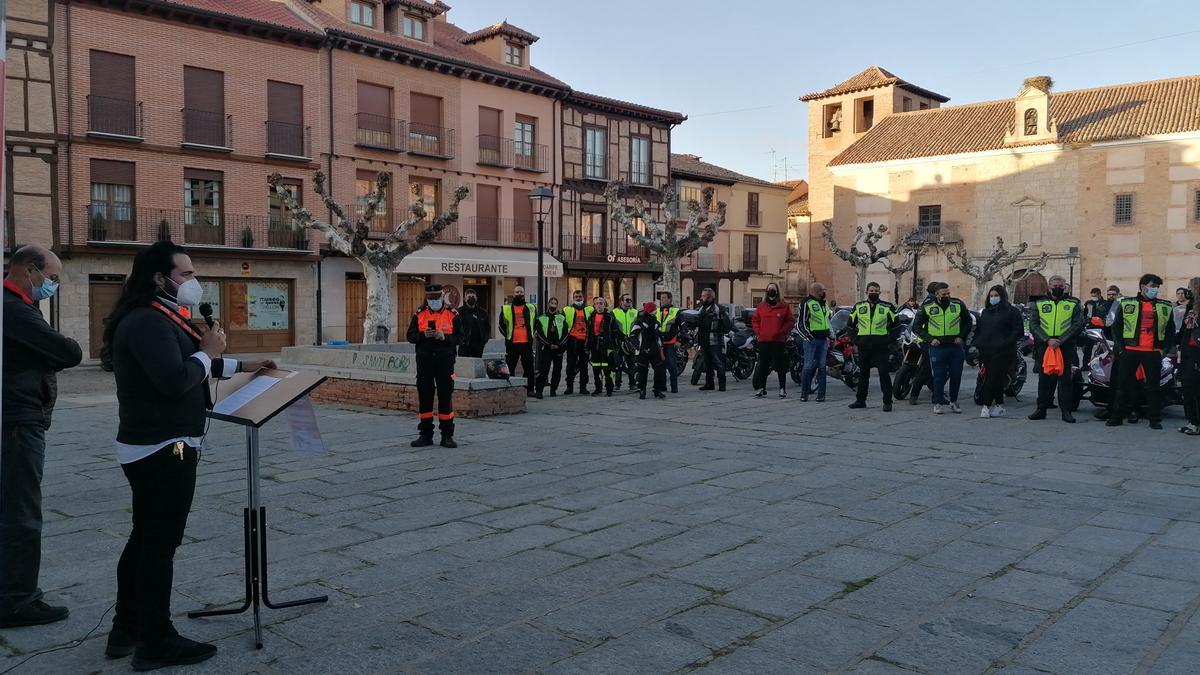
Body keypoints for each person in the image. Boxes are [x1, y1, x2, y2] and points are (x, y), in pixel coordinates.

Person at [101, 241, 274, 669]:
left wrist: (242, 365)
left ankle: (127, 628)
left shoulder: (161, 316)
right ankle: (156, 641)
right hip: (164, 446)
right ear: (159, 278)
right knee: (159, 544)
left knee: (144, 537)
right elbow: (175, 378)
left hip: (160, 442)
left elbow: (198, 364)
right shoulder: (146, 321)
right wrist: (208, 352)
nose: (193, 282)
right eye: (185, 274)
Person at [0, 245, 82, 629]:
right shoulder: (14, 310)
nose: (53, 284)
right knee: (21, 512)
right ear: (30, 270)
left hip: (15, 417)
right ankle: (17, 600)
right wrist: (55, 351)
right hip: (18, 421)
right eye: (51, 277)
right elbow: (68, 352)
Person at [1108, 274, 1175, 429]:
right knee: (1123, 385)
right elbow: (1116, 327)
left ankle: (1154, 419)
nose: (1155, 289)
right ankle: (1116, 417)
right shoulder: (1126, 303)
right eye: (1152, 286)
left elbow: (1171, 331)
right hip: (1130, 351)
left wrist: (1164, 349)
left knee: (1153, 387)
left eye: (1157, 287)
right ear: (1142, 286)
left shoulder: (1165, 306)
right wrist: (1121, 349)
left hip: (1153, 352)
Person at [407, 284, 463, 446]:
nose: (432, 301)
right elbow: (410, 336)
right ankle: (426, 434)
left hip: (444, 361)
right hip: (424, 361)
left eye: (435, 297)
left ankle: (447, 435)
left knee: (445, 396)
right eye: (429, 298)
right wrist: (423, 335)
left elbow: (460, 338)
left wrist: (443, 337)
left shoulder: (453, 314)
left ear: (441, 296)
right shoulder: (419, 314)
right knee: (425, 396)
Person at [1027, 275, 1085, 423]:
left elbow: (1078, 324)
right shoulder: (1039, 303)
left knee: (1065, 379)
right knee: (1044, 379)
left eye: (1060, 286)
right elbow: (1034, 324)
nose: (1057, 288)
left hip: (1065, 346)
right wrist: (1047, 340)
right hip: (1045, 346)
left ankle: (1066, 411)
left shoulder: (1073, 303)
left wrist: (1061, 340)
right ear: (1049, 286)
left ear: (1065, 286)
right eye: (1055, 286)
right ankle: (1041, 409)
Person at [916, 282, 973, 414]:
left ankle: (954, 401)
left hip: (955, 347)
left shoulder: (958, 304)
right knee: (938, 376)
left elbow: (968, 321)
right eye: (943, 294)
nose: (946, 295)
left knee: (956, 375)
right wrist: (930, 339)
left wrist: (962, 336)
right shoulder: (927, 307)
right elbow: (917, 326)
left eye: (948, 293)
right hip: (938, 347)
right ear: (937, 295)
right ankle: (938, 402)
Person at [974, 285, 1024, 418]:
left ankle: (986, 405)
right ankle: (999, 405)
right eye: (991, 295)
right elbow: (980, 330)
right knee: (995, 378)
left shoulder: (1012, 312)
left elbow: (1018, 330)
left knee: (992, 377)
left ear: (1002, 296)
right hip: (986, 351)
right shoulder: (985, 312)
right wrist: (978, 343)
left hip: (1004, 351)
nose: (993, 298)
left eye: (996, 295)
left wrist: (1005, 342)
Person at [847, 281, 898, 411]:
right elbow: (850, 325)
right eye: (872, 291)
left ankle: (887, 402)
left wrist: (889, 340)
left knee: (884, 374)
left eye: (876, 291)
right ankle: (860, 400)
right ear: (867, 292)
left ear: (879, 292)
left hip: (881, 347)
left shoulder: (887, 307)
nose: (874, 293)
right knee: (863, 374)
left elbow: (897, 326)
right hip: (864, 346)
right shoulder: (858, 307)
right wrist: (856, 340)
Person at [751, 282, 795, 398]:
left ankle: (782, 388)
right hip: (763, 340)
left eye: (773, 289)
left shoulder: (784, 306)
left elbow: (790, 321)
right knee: (763, 364)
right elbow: (755, 320)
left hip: (778, 340)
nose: (771, 291)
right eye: (769, 289)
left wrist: (782, 332)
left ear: (777, 291)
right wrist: (758, 331)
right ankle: (761, 388)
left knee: (779, 364)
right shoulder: (761, 306)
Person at [498, 286, 537, 398]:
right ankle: (510, 388)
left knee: (529, 367)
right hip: (512, 344)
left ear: (524, 294)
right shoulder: (506, 308)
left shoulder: (531, 307)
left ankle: (529, 389)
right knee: (510, 367)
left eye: (521, 292)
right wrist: (508, 336)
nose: (519, 293)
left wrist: (531, 334)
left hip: (526, 343)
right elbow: (501, 325)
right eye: (517, 292)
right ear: (513, 294)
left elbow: (536, 323)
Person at [908, 281, 943, 405]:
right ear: (936, 292)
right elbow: (918, 325)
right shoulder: (930, 303)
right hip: (928, 341)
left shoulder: (934, 302)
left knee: (936, 369)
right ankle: (914, 394)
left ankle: (937, 393)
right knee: (927, 369)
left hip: (936, 341)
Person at [797, 283, 830, 403]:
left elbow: (827, 320)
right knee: (808, 366)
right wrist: (808, 337)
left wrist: (830, 335)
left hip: (823, 339)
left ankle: (821, 394)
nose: (824, 292)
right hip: (812, 340)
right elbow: (801, 323)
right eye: (822, 290)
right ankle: (804, 393)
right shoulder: (806, 303)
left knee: (822, 367)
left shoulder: (823, 303)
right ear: (817, 291)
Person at [696, 288, 731, 391]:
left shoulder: (718, 308)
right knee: (707, 363)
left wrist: (721, 329)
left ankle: (722, 385)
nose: (701, 298)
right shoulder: (701, 308)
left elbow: (727, 324)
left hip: (714, 340)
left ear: (710, 297)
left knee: (718, 362)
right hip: (703, 339)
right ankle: (709, 384)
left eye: (703, 296)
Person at [631, 302, 667, 399]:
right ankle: (642, 390)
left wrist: (661, 348)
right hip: (642, 350)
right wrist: (637, 346)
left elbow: (659, 337)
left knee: (660, 370)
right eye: (654, 310)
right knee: (642, 371)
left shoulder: (656, 323)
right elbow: (633, 335)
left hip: (655, 350)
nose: (655, 312)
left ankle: (658, 390)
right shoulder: (639, 321)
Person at [1178, 277, 1200, 435]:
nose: (1188, 291)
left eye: (1190, 288)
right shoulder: (1191, 307)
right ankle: (1192, 421)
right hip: (1186, 353)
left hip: (1196, 354)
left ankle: (1196, 423)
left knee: (1193, 389)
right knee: (1187, 388)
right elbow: (1183, 331)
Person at [561, 290, 593, 395]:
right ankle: (569, 387)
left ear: (583, 297)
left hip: (585, 341)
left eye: (580, 296)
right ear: (573, 298)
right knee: (570, 365)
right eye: (576, 296)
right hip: (572, 341)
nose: (578, 298)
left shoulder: (590, 309)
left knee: (584, 366)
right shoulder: (566, 310)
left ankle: (583, 387)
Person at [535, 297, 567, 397]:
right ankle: (539, 390)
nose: (553, 305)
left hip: (558, 348)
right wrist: (549, 345)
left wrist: (559, 345)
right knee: (544, 370)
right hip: (546, 348)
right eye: (551, 303)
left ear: (557, 305)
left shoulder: (561, 318)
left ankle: (553, 389)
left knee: (557, 370)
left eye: (555, 303)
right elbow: (539, 334)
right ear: (548, 304)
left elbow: (565, 333)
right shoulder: (541, 318)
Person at [587, 296, 619, 396]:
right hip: (595, 345)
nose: (599, 305)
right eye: (596, 303)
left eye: (601, 303)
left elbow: (615, 332)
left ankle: (609, 389)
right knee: (596, 369)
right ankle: (598, 388)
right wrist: (587, 346)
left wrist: (615, 346)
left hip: (607, 346)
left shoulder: (610, 317)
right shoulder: (591, 317)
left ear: (605, 305)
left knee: (607, 369)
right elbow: (589, 333)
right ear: (594, 305)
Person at [611, 294, 638, 391]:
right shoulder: (614, 312)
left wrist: (634, 338)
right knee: (618, 364)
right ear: (621, 301)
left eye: (630, 300)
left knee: (631, 364)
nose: (629, 302)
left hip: (631, 342)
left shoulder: (635, 312)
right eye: (627, 300)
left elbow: (638, 327)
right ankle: (617, 384)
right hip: (619, 341)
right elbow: (613, 327)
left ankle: (632, 384)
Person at [657, 291, 681, 394]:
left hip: (671, 342)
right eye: (661, 298)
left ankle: (674, 387)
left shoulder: (676, 311)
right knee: (660, 366)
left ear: (670, 299)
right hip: (660, 342)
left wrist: (679, 340)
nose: (662, 300)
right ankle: (662, 386)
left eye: (664, 298)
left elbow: (681, 327)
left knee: (672, 366)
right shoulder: (657, 311)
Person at [457, 288, 489, 358]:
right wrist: (460, 340)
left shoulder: (482, 312)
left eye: (473, 297)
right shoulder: (459, 312)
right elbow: (455, 327)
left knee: (477, 366)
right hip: (464, 345)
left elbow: (487, 328)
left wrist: (484, 341)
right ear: (465, 299)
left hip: (478, 345)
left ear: (476, 298)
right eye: (469, 297)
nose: (471, 298)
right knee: (464, 366)